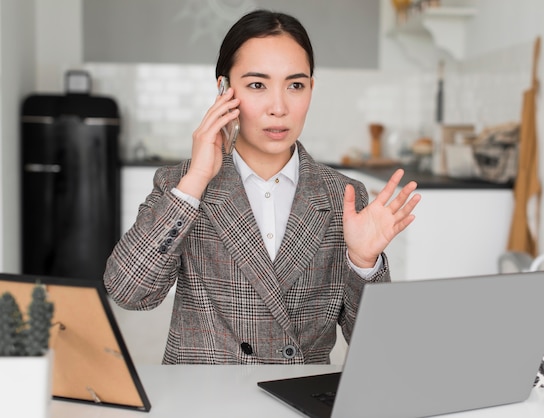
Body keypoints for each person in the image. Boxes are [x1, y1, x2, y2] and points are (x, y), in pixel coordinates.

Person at [104, 9, 421, 365]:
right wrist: (194, 182)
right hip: (204, 401)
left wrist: (364, 264)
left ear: (311, 89)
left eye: (295, 85)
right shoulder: (181, 185)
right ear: (224, 89)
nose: (279, 107)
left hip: (298, 400)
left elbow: (376, 344)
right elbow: (129, 293)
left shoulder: (342, 196)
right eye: (257, 85)